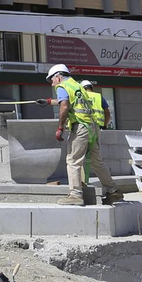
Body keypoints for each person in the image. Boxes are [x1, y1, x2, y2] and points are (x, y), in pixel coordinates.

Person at [48, 63, 120, 206]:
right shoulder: (77, 85)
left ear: (58, 77)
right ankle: (113, 191)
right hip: (92, 128)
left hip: (80, 127)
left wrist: (60, 128)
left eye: (52, 80)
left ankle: (75, 195)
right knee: (96, 162)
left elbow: (64, 105)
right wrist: (49, 102)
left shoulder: (62, 86)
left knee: (73, 161)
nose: (52, 83)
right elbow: (72, 102)